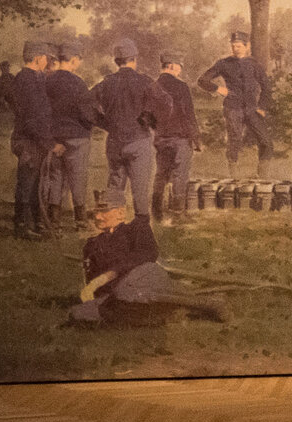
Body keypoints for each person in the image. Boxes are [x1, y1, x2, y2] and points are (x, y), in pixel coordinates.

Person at [68, 202, 224, 325]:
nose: (98, 217)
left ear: (121, 212)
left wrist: (104, 277)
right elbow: (94, 286)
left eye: (104, 211)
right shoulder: (92, 244)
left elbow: (146, 255)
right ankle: (164, 316)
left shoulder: (136, 228)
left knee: (125, 291)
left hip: (144, 277)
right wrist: (91, 295)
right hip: (118, 296)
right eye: (95, 213)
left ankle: (207, 304)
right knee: (78, 313)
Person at [91, 39, 172, 222]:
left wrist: (105, 123)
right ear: (134, 59)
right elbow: (166, 102)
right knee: (140, 189)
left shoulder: (107, 83)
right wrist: (151, 121)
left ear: (116, 61)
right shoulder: (144, 82)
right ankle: (141, 227)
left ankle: (113, 225)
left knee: (115, 187)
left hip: (115, 141)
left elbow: (85, 104)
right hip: (139, 141)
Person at [198, 31, 274, 179]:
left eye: (238, 46)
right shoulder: (224, 63)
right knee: (235, 140)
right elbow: (202, 80)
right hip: (233, 108)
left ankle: (263, 176)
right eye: (233, 46)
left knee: (266, 141)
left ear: (247, 46)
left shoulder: (254, 64)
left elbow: (266, 86)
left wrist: (262, 107)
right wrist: (218, 89)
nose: (235, 49)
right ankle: (234, 177)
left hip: (252, 109)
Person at [43, 39, 97, 232]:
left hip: (54, 137)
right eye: (79, 59)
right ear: (73, 59)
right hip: (77, 136)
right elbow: (87, 113)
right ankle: (80, 220)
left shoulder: (47, 81)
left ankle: (54, 221)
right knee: (78, 177)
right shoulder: (78, 83)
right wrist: (89, 126)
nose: (79, 63)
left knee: (56, 177)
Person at [7, 40, 56, 240]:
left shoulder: (31, 78)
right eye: (45, 58)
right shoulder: (27, 80)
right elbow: (32, 118)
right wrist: (48, 142)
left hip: (33, 139)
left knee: (34, 184)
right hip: (28, 140)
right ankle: (22, 226)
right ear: (37, 58)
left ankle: (34, 224)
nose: (47, 61)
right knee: (27, 184)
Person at [152, 50, 200, 223]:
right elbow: (189, 115)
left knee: (161, 174)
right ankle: (178, 213)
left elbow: (148, 115)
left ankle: (156, 213)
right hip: (180, 138)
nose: (180, 70)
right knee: (180, 174)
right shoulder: (181, 87)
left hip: (161, 138)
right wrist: (196, 138)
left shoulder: (153, 87)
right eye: (179, 66)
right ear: (172, 66)